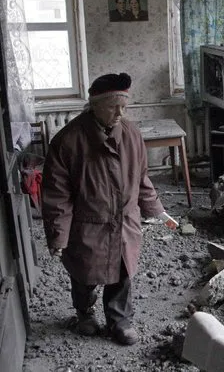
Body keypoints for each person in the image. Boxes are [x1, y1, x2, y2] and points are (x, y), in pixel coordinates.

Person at [42, 72, 176, 345]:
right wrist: (59, 235)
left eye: (124, 106)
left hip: (125, 222)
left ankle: (119, 321)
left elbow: (141, 178)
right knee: (84, 274)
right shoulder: (68, 141)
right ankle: (85, 312)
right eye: (113, 106)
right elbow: (57, 195)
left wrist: (156, 210)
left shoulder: (131, 134)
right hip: (88, 224)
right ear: (94, 104)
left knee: (122, 273)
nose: (119, 113)